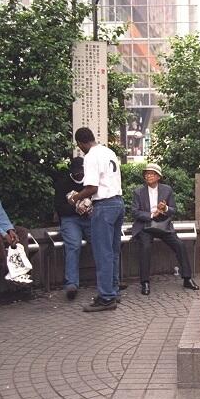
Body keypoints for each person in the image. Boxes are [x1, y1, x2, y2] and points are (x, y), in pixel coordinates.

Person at [69, 127, 125, 312]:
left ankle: (106, 297)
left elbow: (92, 187)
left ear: (80, 143)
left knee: (103, 253)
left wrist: (75, 197)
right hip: (118, 203)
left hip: (104, 206)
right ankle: (113, 290)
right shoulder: (109, 151)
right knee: (113, 251)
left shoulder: (91, 156)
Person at [131, 163, 200, 295]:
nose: (148, 176)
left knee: (179, 245)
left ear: (158, 177)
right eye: (146, 174)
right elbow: (134, 212)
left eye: (151, 173)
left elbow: (173, 210)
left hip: (162, 225)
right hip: (146, 225)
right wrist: (151, 214)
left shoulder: (166, 190)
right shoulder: (138, 191)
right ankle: (145, 282)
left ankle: (187, 278)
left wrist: (165, 209)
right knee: (145, 247)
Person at [53, 157, 92, 300]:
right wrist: (77, 208)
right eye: (78, 172)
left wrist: (88, 209)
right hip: (70, 219)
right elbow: (60, 208)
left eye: (83, 171)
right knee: (73, 245)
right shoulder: (62, 184)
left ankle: (109, 280)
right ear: (72, 172)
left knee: (101, 241)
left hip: (89, 217)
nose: (80, 174)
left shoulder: (90, 181)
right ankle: (72, 283)